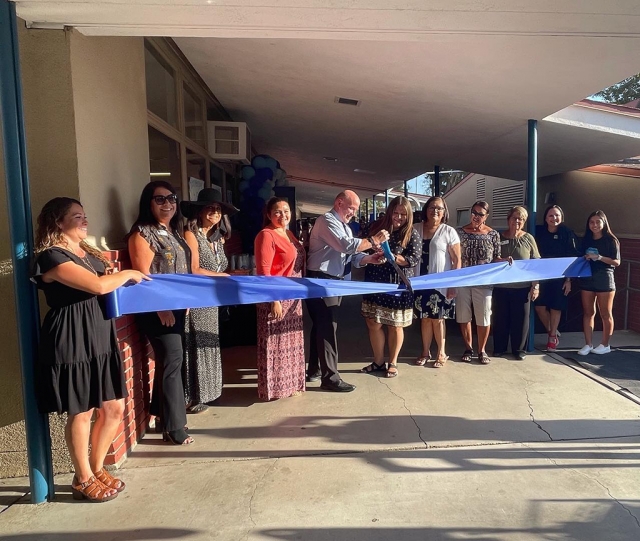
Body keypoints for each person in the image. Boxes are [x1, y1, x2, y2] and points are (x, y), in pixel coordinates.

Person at [33, 197, 148, 502]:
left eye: (84, 216)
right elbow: (97, 286)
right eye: (77, 217)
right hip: (71, 336)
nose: (84, 221)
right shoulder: (51, 257)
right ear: (58, 222)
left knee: (113, 407)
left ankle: (96, 469)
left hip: (99, 335)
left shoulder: (85, 252)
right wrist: (128, 273)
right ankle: (82, 478)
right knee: (82, 411)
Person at [127, 180, 193, 445]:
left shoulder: (174, 231)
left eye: (171, 198)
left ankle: (162, 416)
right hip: (156, 308)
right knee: (173, 360)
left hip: (176, 307)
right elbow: (143, 277)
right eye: (160, 199)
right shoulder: (142, 234)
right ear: (148, 203)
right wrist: (161, 308)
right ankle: (176, 429)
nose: (168, 204)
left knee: (169, 361)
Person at [306, 190, 389, 392]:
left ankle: (315, 369)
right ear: (339, 202)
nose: (353, 212)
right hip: (322, 280)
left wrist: (369, 258)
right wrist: (374, 240)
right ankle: (330, 377)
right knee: (327, 327)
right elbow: (346, 246)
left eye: (355, 209)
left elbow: (349, 257)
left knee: (322, 326)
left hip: (333, 280)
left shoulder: (343, 226)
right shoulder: (327, 221)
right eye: (351, 207)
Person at [180, 189, 236, 414]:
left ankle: (209, 392)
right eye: (210, 207)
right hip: (197, 299)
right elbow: (194, 270)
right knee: (196, 344)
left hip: (212, 300)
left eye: (218, 209)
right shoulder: (190, 235)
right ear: (199, 211)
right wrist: (224, 277)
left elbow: (219, 267)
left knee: (209, 342)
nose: (215, 212)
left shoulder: (217, 238)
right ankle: (193, 396)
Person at [360, 196, 421, 378]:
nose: (399, 217)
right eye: (396, 213)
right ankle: (378, 361)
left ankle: (393, 362)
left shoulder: (412, 234)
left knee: (395, 325)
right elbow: (363, 248)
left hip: (397, 285)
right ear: (390, 212)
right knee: (373, 323)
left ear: (408, 215)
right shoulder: (377, 229)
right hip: (374, 282)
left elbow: (414, 259)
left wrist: (394, 257)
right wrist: (375, 253)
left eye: (403, 214)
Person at [254, 197, 306, 400]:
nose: (282, 215)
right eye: (277, 212)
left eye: (286, 211)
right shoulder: (266, 235)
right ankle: (275, 389)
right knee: (275, 345)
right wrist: (274, 299)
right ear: (268, 214)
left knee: (291, 343)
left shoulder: (288, 233)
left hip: (293, 296)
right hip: (276, 296)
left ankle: (291, 383)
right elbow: (264, 272)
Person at [413, 196, 461, 368]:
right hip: (419, 283)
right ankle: (425, 352)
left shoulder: (449, 232)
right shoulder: (415, 229)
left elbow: (457, 261)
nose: (435, 211)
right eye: (432, 207)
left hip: (440, 285)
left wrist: (453, 285)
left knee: (438, 319)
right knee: (425, 319)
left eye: (439, 208)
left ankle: (441, 353)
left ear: (444, 212)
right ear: (426, 210)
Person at [492, 206, 541, 360]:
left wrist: (536, 285)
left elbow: (536, 263)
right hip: (501, 287)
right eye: (514, 218)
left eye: (521, 219)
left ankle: (519, 350)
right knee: (500, 319)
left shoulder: (529, 239)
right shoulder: (498, 237)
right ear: (508, 219)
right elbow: (492, 259)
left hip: (522, 288)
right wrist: (501, 260)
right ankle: (499, 348)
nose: (517, 221)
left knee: (521, 320)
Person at [456, 201, 501, 365]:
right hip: (463, 280)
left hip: (484, 281)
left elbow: (496, 257)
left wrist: (504, 261)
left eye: (480, 214)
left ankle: (482, 350)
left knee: (483, 317)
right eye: (474, 212)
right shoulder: (459, 232)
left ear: (486, 216)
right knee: (464, 316)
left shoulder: (493, 234)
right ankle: (468, 348)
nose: (476, 216)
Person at [534, 205, 579, 351]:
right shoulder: (538, 231)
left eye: (557, 215)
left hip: (560, 277)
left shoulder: (567, 233)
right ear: (546, 218)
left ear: (562, 217)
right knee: (540, 307)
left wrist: (568, 280)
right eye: (551, 216)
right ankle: (551, 329)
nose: (554, 218)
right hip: (541, 276)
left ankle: (552, 336)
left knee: (555, 306)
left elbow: (572, 257)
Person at [577, 210, 621, 355]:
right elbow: (580, 257)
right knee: (588, 312)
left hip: (605, 278)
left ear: (603, 223)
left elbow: (617, 262)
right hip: (588, 277)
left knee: (605, 313)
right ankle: (588, 344)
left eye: (597, 222)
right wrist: (586, 257)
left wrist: (599, 257)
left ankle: (605, 344)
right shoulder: (586, 240)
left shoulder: (611, 240)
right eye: (591, 222)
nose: (594, 225)